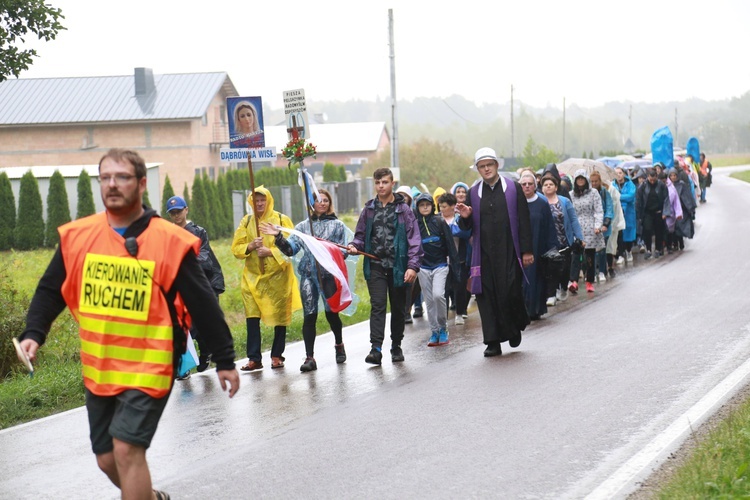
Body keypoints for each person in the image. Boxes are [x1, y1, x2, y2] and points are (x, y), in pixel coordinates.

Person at [16, 148, 239, 500]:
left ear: (141, 183)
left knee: (126, 450)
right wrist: (34, 334)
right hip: (100, 366)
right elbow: (50, 288)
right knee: (107, 460)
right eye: (105, 177)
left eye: (122, 177)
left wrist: (225, 359)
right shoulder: (79, 237)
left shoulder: (168, 240)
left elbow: (202, 301)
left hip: (151, 363)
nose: (112, 185)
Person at [260, 189, 350, 372]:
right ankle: (310, 357)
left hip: (328, 276)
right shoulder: (302, 227)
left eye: (326, 200)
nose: (322, 203)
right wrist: (277, 236)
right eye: (318, 200)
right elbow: (290, 249)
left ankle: (339, 344)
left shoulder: (338, 225)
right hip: (308, 275)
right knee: (310, 316)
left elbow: (343, 252)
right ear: (311, 203)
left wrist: (342, 251)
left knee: (331, 314)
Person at [456, 147, 533, 357]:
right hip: (484, 253)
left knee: (510, 291)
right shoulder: (473, 193)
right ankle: (492, 341)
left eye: (489, 164)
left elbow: (524, 219)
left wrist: (527, 250)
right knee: (486, 296)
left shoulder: (513, 188)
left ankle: (514, 327)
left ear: (497, 165)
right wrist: (465, 217)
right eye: (482, 166)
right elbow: (466, 228)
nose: (486, 169)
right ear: (478, 170)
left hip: (510, 249)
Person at [347, 167, 422, 365]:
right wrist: (354, 246)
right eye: (378, 183)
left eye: (385, 182)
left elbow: (414, 239)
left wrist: (413, 266)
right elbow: (361, 236)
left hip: (399, 267)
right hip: (376, 265)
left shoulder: (403, 210)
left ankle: (396, 345)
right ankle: (376, 349)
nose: (381, 186)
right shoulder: (369, 210)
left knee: (398, 308)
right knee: (378, 306)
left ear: (392, 184)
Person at [232, 187, 301, 371]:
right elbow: (236, 248)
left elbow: (292, 248)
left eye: (262, 200)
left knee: (279, 315)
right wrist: (250, 246)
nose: (259, 204)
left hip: (278, 277)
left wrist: (270, 252)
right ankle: (254, 358)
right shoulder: (246, 222)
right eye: (256, 201)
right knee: (252, 316)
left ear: (269, 200)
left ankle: (277, 355)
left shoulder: (281, 220)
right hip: (252, 278)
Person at [166, 195, 225, 373]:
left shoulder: (199, 232)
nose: (176, 215)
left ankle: (205, 352)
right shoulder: (169, 234)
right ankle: (184, 366)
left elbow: (204, 256)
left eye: (179, 211)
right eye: (172, 213)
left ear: (186, 210)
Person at [414, 192, 459, 346]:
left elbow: (450, 245)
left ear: (432, 206)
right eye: (421, 205)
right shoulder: (415, 226)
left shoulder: (440, 222)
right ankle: (434, 331)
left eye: (427, 204)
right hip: (423, 268)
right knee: (429, 301)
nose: (425, 207)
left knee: (438, 295)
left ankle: (443, 329)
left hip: (440, 265)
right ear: (417, 207)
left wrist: (456, 267)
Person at [519, 170, 556, 320]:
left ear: (535, 186)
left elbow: (549, 226)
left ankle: (535, 309)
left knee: (536, 279)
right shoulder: (516, 203)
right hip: (521, 248)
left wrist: (552, 247)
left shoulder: (542, 203)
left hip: (538, 247)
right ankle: (523, 311)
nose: (527, 187)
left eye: (530, 184)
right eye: (524, 184)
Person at [541, 173, 583, 307]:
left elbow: (573, 220)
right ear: (542, 188)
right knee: (550, 268)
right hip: (548, 242)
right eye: (545, 185)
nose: (548, 187)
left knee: (564, 268)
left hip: (564, 240)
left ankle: (563, 287)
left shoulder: (565, 201)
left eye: (551, 184)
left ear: (556, 187)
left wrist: (579, 237)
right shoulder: (540, 202)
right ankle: (551, 294)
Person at [569, 170, 604, 293]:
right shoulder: (571, 195)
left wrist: (598, 225)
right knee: (576, 254)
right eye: (578, 179)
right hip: (577, 227)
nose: (580, 181)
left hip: (591, 227)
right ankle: (573, 281)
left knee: (590, 255)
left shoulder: (593, 193)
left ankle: (589, 280)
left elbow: (599, 210)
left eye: (582, 179)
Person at [449, 182, 472, 324]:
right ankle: (458, 307)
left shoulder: (471, 210)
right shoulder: (448, 211)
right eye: (458, 192)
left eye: (464, 191)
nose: (461, 194)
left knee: (467, 279)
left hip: (470, 248)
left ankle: (463, 308)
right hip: (454, 252)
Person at [395, 185, 417, 324]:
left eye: (405, 195)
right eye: (400, 194)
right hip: (396, 254)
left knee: (410, 285)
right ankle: (399, 311)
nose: (402, 198)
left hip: (410, 253)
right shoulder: (392, 212)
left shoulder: (414, 213)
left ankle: (407, 311)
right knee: (398, 285)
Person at [635, 168, 668, 259]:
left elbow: (666, 199)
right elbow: (638, 200)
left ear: (657, 177)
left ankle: (658, 249)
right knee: (647, 230)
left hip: (658, 212)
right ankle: (648, 249)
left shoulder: (661, 185)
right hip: (647, 212)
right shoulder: (643, 186)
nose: (652, 182)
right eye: (650, 180)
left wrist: (665, 212)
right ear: (648, 177)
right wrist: (639, 214)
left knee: (659, 231)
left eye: (654, 180)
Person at [588, 171, 613, 283]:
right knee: (591, 251)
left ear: (599, 181)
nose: (593, 183)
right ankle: (592, 272)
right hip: (590, 226)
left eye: (596, 181)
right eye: (592, 181)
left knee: (602, 250)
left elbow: (609, 208)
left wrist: (606, 224)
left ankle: (602, 271)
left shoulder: (604, 192)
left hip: (603, 225)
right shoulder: (587, 193)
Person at [613, 166, 637, 264]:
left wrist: (619, 197)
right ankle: (621, 254)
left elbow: (631, 196)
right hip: (617, 211)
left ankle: (629, 251)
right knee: (619, 233)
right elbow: (612, 197)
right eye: (616, 173)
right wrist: (620, 198)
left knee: (629, 232)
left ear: (623, 174)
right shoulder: (612, 185)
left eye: (620, 173)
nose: (618, 175)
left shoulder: (630, 184)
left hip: (628, 212)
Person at [662, 171, 683, 253]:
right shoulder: (660, 186)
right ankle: (663, 246)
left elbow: (676, 201)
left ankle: (670, 245)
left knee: (670, 230)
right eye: (672, 175)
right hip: (661, 212)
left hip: (671, 213)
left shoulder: (672, 187)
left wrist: (679, 213)